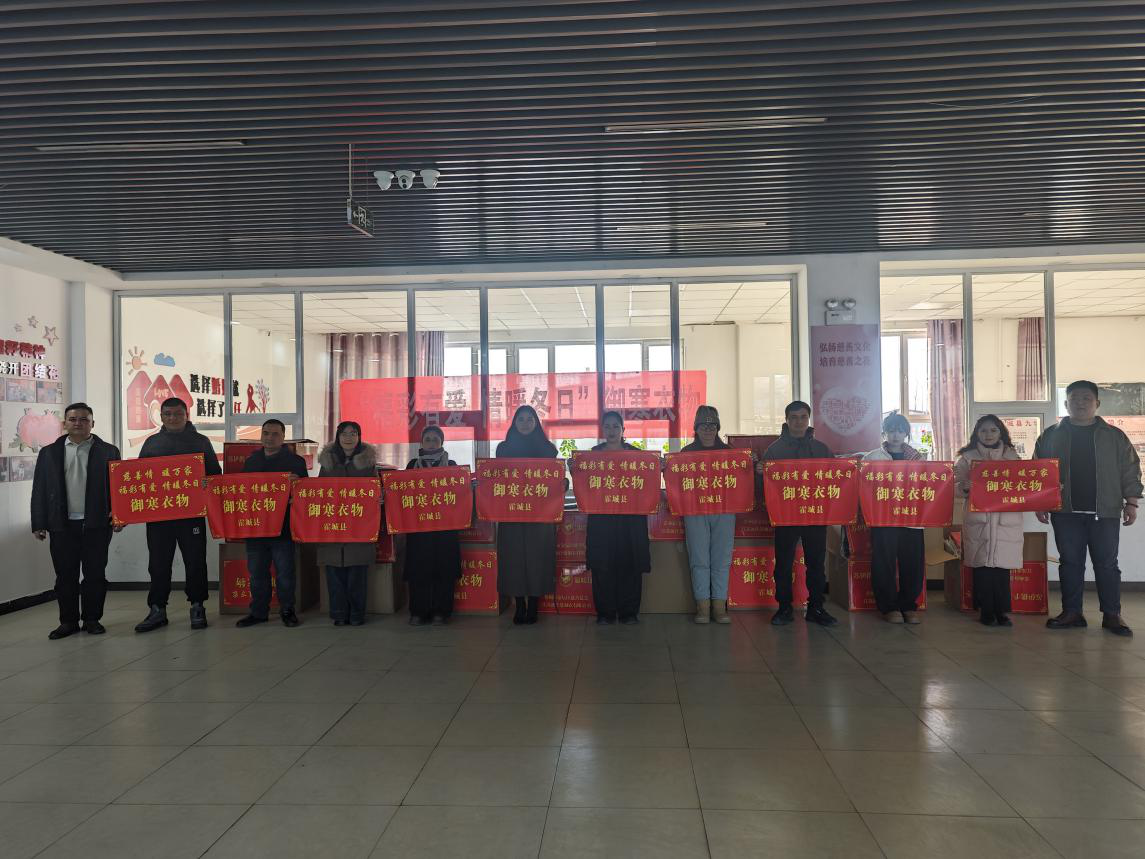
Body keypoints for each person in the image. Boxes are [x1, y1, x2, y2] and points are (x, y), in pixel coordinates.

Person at [1034, 380, 1143, 636]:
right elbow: (1038, 471)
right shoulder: (1050, 435)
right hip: (1065, 512)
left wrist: (1131, 502)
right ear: (1066, 403)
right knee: (1070, 563)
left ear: (1097, 403)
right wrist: (1040, 502)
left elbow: (1129, 469)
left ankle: (1112, 615)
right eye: (1074, 398)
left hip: (1104, 512)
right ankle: (1072, 612)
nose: (1080, 403)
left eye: (1086, 398)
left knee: (1107, 564)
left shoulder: (1114, 436)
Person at [31, 403, 122, 640]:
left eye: (84, 419)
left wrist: (120, 515)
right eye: (73, 419)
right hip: (61, 524)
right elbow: (40, 489)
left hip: (97, 523)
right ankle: (68, 622)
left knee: (95, 574)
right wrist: (38, 522)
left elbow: (118, 487)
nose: (78, 423)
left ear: (92, 423)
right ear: (65, 423)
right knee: (65, 575)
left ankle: (92, 619)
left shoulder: (108, 451)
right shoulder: (49, 453)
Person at [135, 397, 221, 633]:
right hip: (159, 515)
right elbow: (139, 477)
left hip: (191, 514)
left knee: (195, 561)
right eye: (168, 414)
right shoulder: (152, 443)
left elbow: (215, 475)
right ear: (161, 417)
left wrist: (205, 482)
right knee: (158, 563)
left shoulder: (201, 442)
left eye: (178, 414)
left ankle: (197, 605)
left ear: (186, 415)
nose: (173, 418)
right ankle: (157, 608)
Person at [763, 401, 838, 627]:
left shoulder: (822, 449)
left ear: (808, 419)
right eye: (793, 418)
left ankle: (816, 607)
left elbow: (835, 479)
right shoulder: (774, 451)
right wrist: (760, 473)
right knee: (783, 564)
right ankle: (784, 608)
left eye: (803, 417)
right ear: (786, 420)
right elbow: (764, 487)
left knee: (816, 564)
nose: (798, 422)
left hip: (815, 515)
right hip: (785, 517)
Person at [236, 419, 308, 629]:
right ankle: (258, 612)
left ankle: (287, 610)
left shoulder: (295, 462)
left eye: (275, 434)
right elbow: (242, 491)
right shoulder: (252, 462)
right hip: (256, 527)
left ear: (283, 437)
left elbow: (305, 494)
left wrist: (297, 485)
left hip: (283, 528)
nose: (269, 438)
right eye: (266, 433)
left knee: (285, 574)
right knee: (257, 573)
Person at [954, 415, 1022, 627]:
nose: (988, 434)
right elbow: (953, 487)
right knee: (981, 566)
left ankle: (1001, 612)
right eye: (983, 430)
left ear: (1001, 432)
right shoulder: (966, 458)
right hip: (979, 520)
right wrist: (963, 487)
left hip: (1005, 521)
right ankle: (985, 611)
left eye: (993, 430)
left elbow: (1025, 485)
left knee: (1002, 568)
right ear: (977, 434)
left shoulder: (1012, 458)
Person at [586, 411, 652, 625]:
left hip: (630, 519)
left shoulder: (636, 455)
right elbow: (585, 484)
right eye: (607, 426)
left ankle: (628, 612)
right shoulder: (593, 455)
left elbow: (647, 484)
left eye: (616, 426)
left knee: (629, 563)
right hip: (602, 519)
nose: (612, 430)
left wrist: (658, 468)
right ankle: (605, 613)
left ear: (623, 430)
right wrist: (573, 468)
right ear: (602, 430)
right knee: (602, 565)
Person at [862, 412, 927, 625]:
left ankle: (908, 606)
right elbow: (863, 487)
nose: (896, 435)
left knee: (913, 563)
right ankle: (889, 607)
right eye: (891, 430)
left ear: (906, 433)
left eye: (900, 430)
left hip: (912, 520)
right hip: (883, 520)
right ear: (884, 432)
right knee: (884, 563)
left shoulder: (919, 459)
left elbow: (928, 488)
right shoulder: (872, 458)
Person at [496, 405, 558, 625]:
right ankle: (519, 605)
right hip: (511, 513)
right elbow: (497, 478)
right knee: (513, 558)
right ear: (514, 423)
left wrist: (562, 483)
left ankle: (533, 605)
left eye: (529, 419)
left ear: (536, 423)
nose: (525, 423)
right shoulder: (503, 449)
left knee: (537, 557)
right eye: (521, 419)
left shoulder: (548, 449)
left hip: (540, 514)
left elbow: (554, 479)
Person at [318, 420, 378, 626]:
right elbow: (318, 493)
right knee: (334, 574)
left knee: (356, 575)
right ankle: (339, 614)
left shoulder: (368, 464)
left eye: (353, 433)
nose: (348, 437)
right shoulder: (327, 462)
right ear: (338, 437)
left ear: (359, 437)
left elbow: (376, 490)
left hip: (358, 526)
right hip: (332, 526)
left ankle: (357, 615)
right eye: (344, 433)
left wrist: (378, 498)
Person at [681, 405, 736, 625]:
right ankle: (702, 607)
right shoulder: (685, 454)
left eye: (712, 425)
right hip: (695, 511)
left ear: (718, 428)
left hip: (724, 510)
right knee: (699, 559)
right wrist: (666, 468)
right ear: (696, 428)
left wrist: (749, 465)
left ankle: (719, 607)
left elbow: (741, 480)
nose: (708, 429)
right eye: (703, 425)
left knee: (722, 559)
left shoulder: (730, 453)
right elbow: (677, 482)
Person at [403, 426, 462, 626]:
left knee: (444, 569)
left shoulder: (451, 466)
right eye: (427, 439)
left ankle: (441, 612)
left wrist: (469, 487)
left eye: (435, 439)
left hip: (445, 527)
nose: (431, 443)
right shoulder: (412, 465)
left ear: (442, 442)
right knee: (419, 570)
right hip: (419, 527)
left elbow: (459, 494)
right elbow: (402, 492)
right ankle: (418, 611)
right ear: (421, 443)